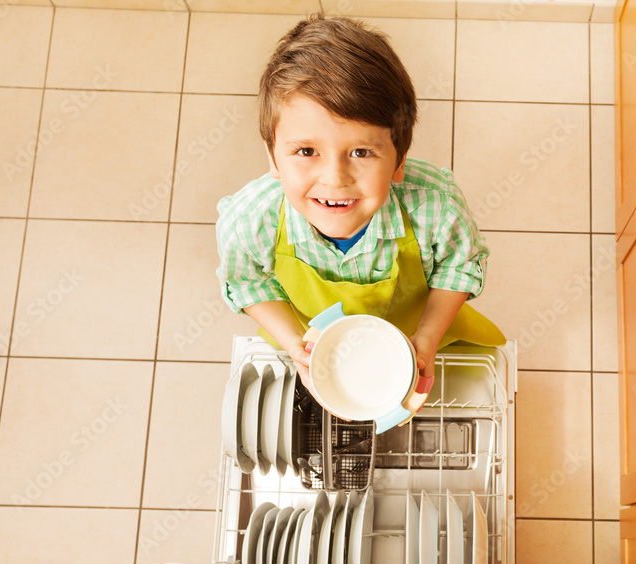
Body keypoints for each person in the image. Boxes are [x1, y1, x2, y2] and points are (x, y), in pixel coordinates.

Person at [215, 13, 504, 387]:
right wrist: (293, 344)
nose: (335, 179)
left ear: (399, 160)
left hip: (415, 336)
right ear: (272, 157)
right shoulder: (249, 222)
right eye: (306, 151)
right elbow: (248, 284)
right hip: (316, 341)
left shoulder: (437, 206)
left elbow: (457, 267)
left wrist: (428, 338)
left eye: (362, 152)